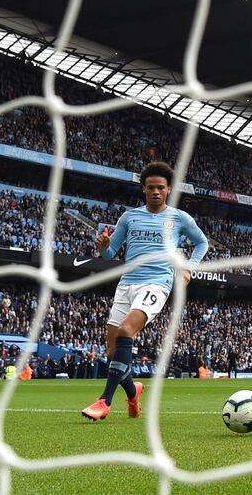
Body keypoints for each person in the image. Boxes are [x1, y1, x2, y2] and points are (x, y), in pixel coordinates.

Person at [81, 161, 209, 421]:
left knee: (127, 331)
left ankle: (104, 401)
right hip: (127, 284)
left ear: (168, 189)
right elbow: (109, 254)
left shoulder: (179, 218)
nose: (156, 192)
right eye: (151, 187)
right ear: (143, 189)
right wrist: (103, 246)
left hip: (156, 283)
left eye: (160, 188)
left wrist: (188, 269)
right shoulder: (129, 217)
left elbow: (201, 243)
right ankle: (133, 391)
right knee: (112, 353)